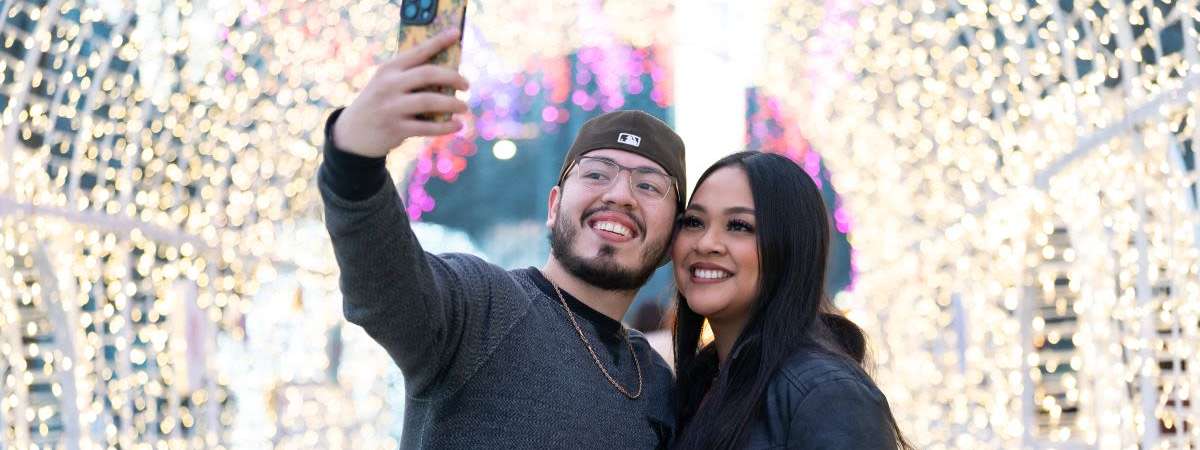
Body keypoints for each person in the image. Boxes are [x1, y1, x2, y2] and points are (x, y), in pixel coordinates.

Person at [319, 31, 686, 449]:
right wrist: (352, 160)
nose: (619, 195)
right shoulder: (482, 306)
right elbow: (384, 285)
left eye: (648, 186)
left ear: (673, 234)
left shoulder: (655, 382)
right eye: (598, 174)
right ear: (554, 206)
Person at [670, 151, 908, 449]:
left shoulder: (826, 393)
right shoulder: (695, 388)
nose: (706, 243)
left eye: (739, 226)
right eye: (694, 222)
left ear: (791, 247)